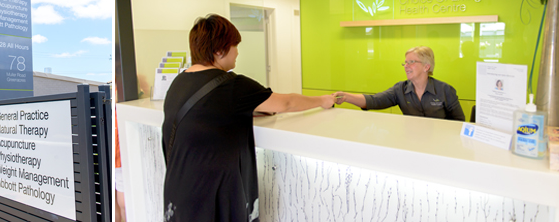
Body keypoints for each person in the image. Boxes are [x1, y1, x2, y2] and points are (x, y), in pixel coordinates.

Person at [162, 14, 334, 222]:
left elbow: (208, 113)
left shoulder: (178, 82)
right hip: (211, 197)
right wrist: (322, 101)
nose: (237, 53)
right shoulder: (231, 85)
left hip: (178, 189)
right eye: (234, 45)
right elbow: (285, 103)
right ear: (218, 50)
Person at [333, 46, 465, 121]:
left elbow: (459, 123)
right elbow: (374, 101)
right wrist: (346, 97)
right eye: (405, 62)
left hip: (439, 145)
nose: (406, 66)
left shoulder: (445, 90)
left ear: (426, 67)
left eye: (411, 62)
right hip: (410, 143)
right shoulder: (400, 89)